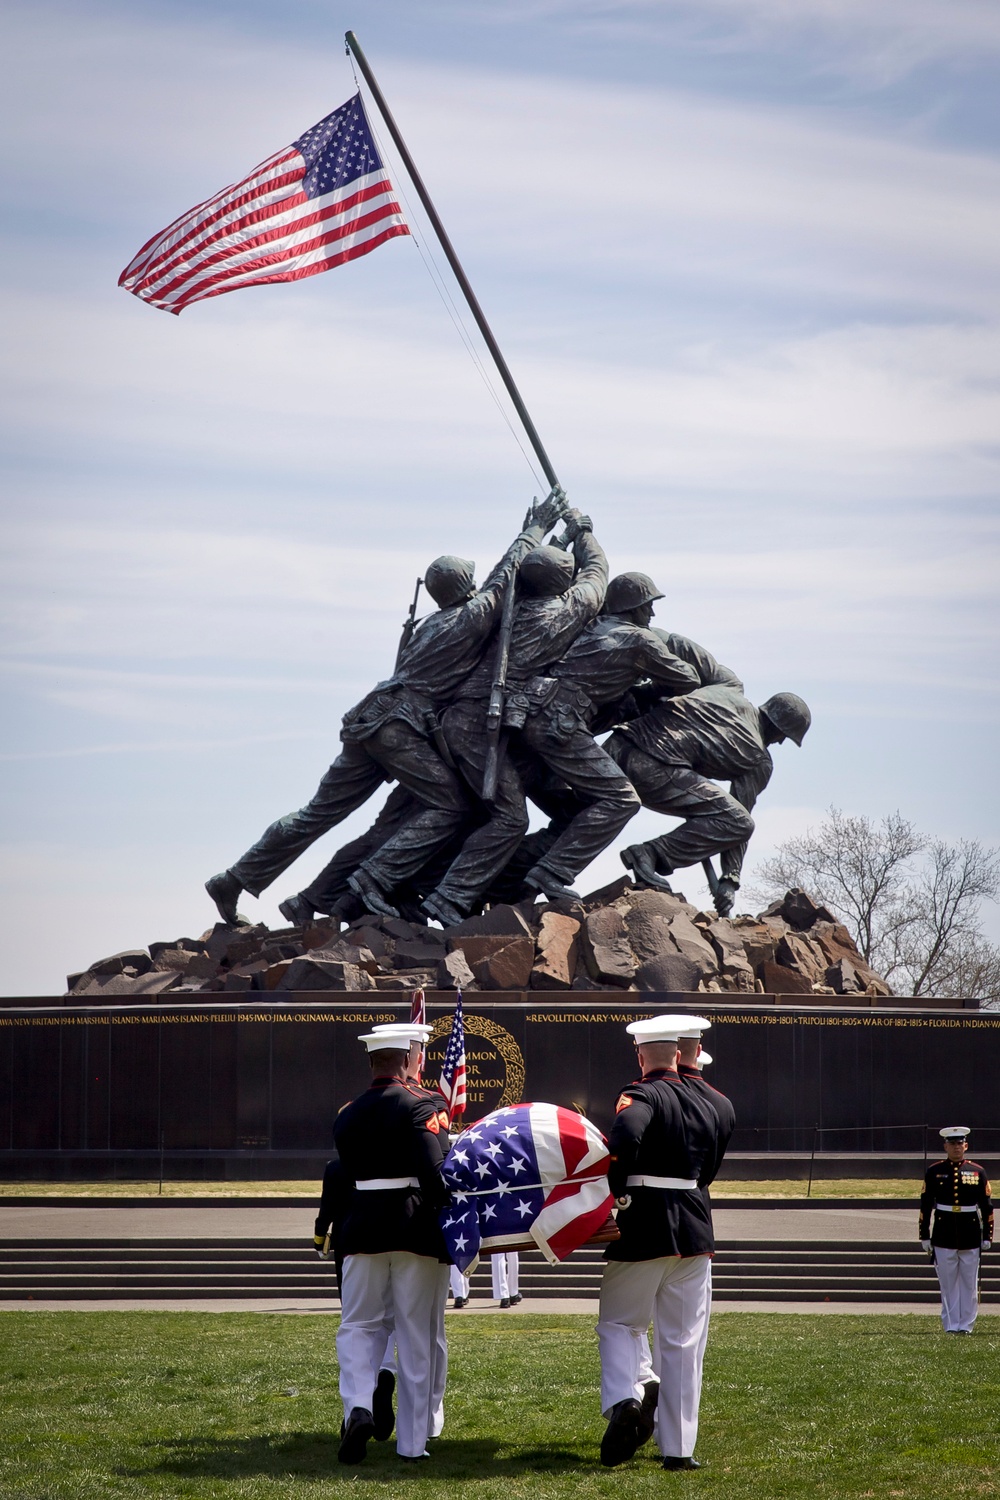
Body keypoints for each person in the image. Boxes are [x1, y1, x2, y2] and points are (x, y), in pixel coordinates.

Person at [205, 490, 566, 925]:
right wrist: (535, 529)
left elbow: (505, 582)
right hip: (400, 726)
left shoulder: (429, 625)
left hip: (370, 718)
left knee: (316, 814)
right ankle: (372, 880)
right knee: (450, 805)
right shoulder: (468, 619)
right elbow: (504, 577)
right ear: (466, 587)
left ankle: (236, 877)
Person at [597, 1014, 722, 1472]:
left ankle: (628, 1397)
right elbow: (710, 1168)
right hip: (694, 1226)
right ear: (680, 1052)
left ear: (640, 1053)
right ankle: (679, 1449)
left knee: (620, 1324)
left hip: (645, 1224)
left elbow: (627, 1133)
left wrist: (619, 1192)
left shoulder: (641, 1093)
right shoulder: (714, 1102)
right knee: (685, 1343)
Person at [329, 1025, 451, 1464]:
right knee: (415, 1334)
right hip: (413, 1226)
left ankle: (359, 1407)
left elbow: (343, 1171)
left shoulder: (347, 1113)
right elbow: (434, 1169)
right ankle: (412, 1443)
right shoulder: (420, 1106)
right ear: (406, 1061)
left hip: (360, 1228)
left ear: (371, 1063)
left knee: (359, 1326)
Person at [607, 684, 811, 916]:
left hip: (616, 745)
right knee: (739, 823)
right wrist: (730, 880)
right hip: (651, 768)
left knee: (571, 809)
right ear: (778, 727)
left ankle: (555, 865)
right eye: (785, 735)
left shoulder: (727, 694)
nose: (781, 742)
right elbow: (740, 816)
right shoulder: (758, 758)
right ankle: (650, 853)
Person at [919, 1126, 993, 1334]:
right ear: (945, 1146)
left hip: (969, 1232)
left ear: (966, 1146)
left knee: (969, 1283)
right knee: (948, 1283)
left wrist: (987, 1235)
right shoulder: (934, 1171)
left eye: (960, 1143)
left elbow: (987, 1206)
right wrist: (924, 1235)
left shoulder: (978, 1172)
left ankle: (966, 1325)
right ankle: (951, 1325)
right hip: (944, 1232)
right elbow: (925, 1206)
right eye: (952, 1144)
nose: (956, 1147)